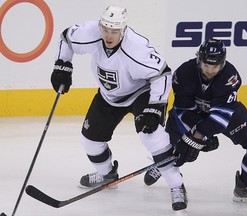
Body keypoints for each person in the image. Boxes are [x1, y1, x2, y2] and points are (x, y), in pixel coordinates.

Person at [50, 5, 189, 211]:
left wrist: (155, 106)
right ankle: (108, 175)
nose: (108, 35)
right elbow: (65, 38)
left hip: (141, 93)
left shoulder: (136, 48)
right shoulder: (91, 33)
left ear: (123, 29)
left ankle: (177, 185)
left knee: (152, 137)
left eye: (114, 31)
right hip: (109, 96)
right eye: (105, 29)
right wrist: (62, 64)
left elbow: (163, 73)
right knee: (90, 141)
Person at [144, 38, 247, 205]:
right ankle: (164, 164)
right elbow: (183, 110)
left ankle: (245, 187)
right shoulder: (184, 73)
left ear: (223, 63)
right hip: (192, 114)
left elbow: (221, 116)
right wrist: (196, 138)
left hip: (223, 115)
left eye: (215, 66)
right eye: (206, 65)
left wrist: (200, 136)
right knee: (170, 145)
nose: (210, 70)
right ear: (199, 59)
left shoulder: (230, 76)